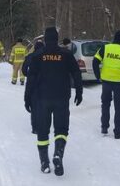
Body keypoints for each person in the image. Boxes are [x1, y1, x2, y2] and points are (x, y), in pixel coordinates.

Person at [24, 27, 83, 176]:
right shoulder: (66, 54)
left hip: (41, 99)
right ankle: (58, 153)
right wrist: (79, 91)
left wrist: (27, 98)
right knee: (61, 130)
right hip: (61, 98)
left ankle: (44, 162)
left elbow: (30, 78)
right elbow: (76, 72)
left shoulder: (37, 55)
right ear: (57, 39)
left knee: (43, 131)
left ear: (45, 39)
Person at [93, 30, 120, 139]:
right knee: (119, 108)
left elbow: (95, 61)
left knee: (105, 104)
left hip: (106, 82)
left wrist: (98, 76)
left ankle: (104, 127)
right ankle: (118, 132)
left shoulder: (106, 48)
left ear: (114, 38)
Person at [24, 41, 45, 134]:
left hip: (32, 84)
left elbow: (24, 70)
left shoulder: (29, 57)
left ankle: (35, 127)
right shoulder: (46, 57)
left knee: (34, 106)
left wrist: (29, 75)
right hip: (45, 84)